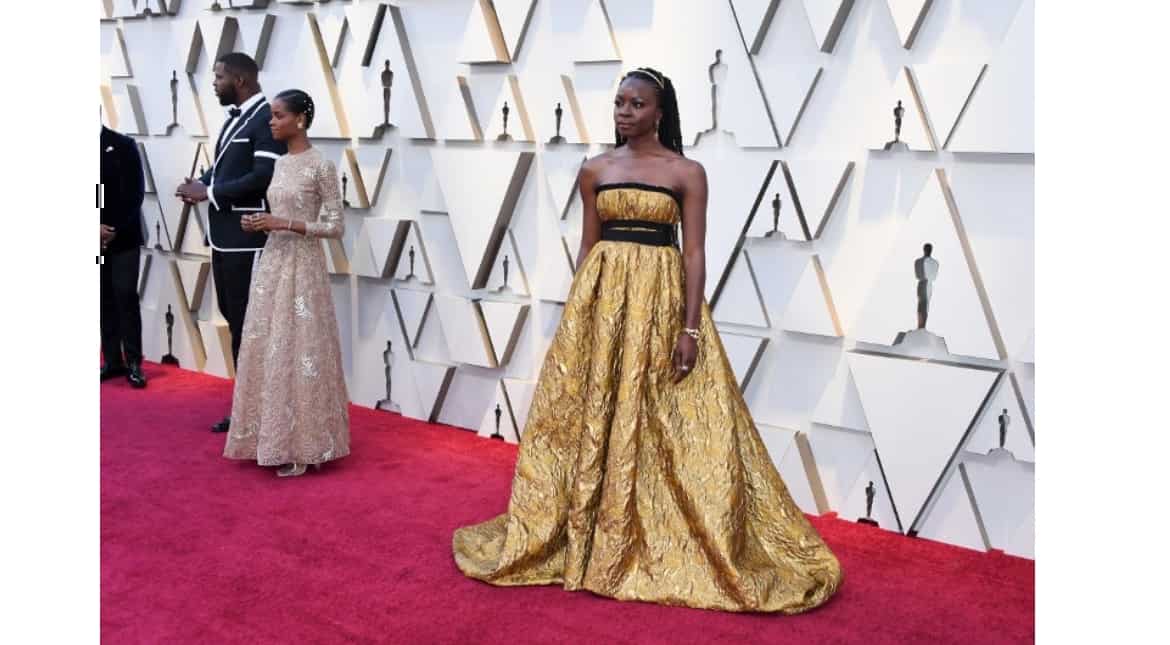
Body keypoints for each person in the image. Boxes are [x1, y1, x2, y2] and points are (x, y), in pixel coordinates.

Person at [452, 68, 842, 613]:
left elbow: (694, 253)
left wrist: (689, 328)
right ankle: (586, 530)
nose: (624, 112)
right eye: (619, 103)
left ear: (660, 112)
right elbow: (589, 247)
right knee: (593, 416)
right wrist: (577, 321)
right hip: (603, 304)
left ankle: (644, 532)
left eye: (637, 104)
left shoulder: (687, 172)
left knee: (666, 420)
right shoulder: (595, 170)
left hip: (660, 304)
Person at [222, 90, 350, 478]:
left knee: (302, 349)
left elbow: (335, 226)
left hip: (304, 267)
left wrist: (285, 224)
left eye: (278, 116)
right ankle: (270, 438)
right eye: (271, 116)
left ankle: (307, 445)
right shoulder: (278, 165)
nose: (271, 122)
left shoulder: (321, 166)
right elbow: (279, 212)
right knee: (268, 347)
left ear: (301, 119)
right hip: (274, 263)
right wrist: (261, 222)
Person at [175, 52, 286, 433]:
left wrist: (210, 192)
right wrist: (200, 184)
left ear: (240, 79)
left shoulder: (265, 119)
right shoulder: (236, 119)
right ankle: (248, 410)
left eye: (219, 76)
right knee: (236, 322)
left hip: (248, 239)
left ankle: (258, 415)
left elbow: (263, 177)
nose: (214, 83)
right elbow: (225, 168)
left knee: (249, 326)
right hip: (224, 239)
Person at [101, 124, 148, 388]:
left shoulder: (123, 145)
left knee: (125, 295)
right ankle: (111, 361)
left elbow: (134, 194)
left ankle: (133, 362)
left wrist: (111, 229)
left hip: (124, 240)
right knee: (102, 296)